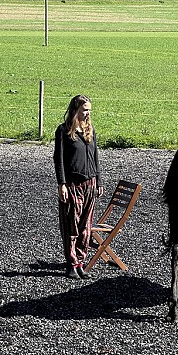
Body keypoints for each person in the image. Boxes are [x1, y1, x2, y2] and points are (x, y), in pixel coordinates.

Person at [53, 95, 104, 279]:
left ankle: (81, 262)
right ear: (75, 110)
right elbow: (58, 159)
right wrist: (62, 184)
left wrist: (99, 180)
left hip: (90, 183)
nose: (88, 113)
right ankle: (71, 263)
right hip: (73, 184)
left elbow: (96, 156)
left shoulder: (90, 129)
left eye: (89, 110)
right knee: (71, 226)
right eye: (85, 110)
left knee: (86, 227)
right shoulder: (64, 131)